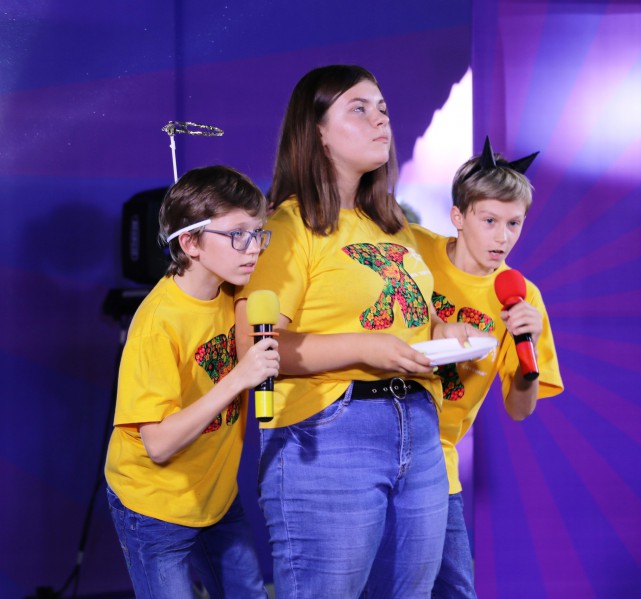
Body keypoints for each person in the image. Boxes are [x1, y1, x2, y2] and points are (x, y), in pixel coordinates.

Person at [234, 65, 485, 599]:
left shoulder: (393, 226)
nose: (381, 121)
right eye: (359, 108)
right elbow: (256, 346)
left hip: (419, 427)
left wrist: (445, 329)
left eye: (383, 109)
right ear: (318, 132)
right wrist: (368, 348)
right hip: (327, 433)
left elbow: (405, 319)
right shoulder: (287, 227)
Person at [105, 165, 278, 598]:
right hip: (155, 506)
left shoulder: (234, 294)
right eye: (237, 235)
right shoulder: (157, 325)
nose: (253, 248)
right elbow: (159, 444)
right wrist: (238, 378)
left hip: (216, 497)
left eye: (257, 233)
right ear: (190, 243)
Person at [410, 138, 564, 598]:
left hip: (437, 457)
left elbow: (520, 409)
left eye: (514, 223)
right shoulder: (413, 247)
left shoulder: (523, 295)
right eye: (490, 221)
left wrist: (527, 360)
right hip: (378, 440)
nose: (502, 238)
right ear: (458, 217)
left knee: (456, 589)